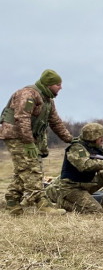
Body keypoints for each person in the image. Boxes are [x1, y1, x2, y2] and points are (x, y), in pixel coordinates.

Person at [1, 69, 72, 216]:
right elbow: (22, 117)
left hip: (28, 138)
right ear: (48, 84)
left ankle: (12, 202)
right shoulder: (27, 94)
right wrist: (28, 142)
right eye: (58, 84)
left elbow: (55, 121)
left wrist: (70, 139)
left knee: (23, 170)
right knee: (31, 168)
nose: (61, 87)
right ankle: (41, 202)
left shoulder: (48, 100)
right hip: (16, 136)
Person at [45, 122, 103, 213]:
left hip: (87, 183)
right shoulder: (76, 148)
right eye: (100, 137)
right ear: (92, 137)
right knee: (95, 210)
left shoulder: (95, 147)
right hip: (72, 188)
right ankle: (62, 202)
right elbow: (85, 165)